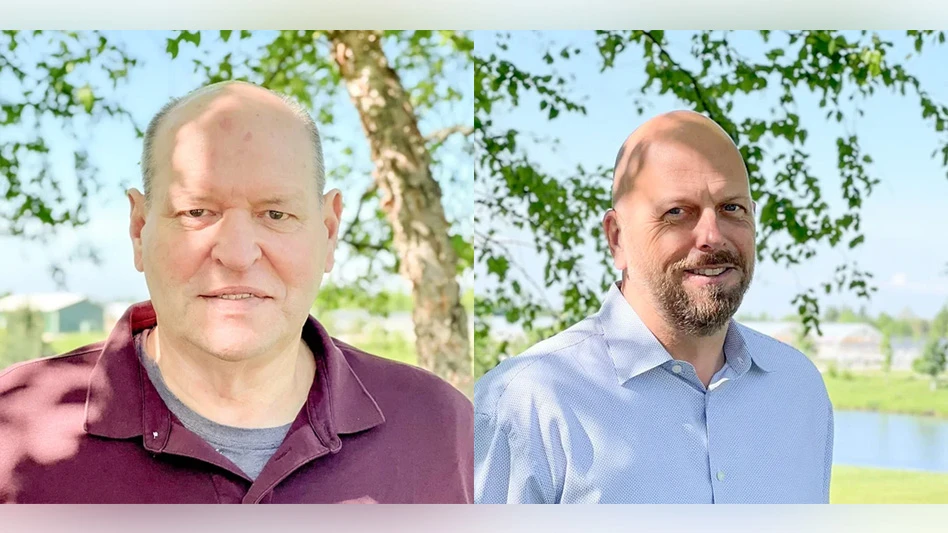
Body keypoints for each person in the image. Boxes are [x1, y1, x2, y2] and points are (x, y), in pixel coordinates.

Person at [0, 81, 473, 504]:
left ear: (329, 232)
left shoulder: (443, 427)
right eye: (198, 211)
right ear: (139, 228)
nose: (237, 254)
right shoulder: (12, 429)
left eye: (275, 214)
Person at [474, 110, 833, 504]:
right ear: (617, 238)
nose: (712, 236)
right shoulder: (526, 405)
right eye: (677, 212)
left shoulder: (799, 391)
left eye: (732, 208)